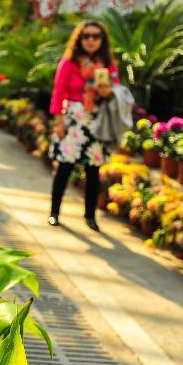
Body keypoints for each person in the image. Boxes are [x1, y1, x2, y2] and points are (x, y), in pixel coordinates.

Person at [48, 20, 119, 232]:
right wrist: (59, 121)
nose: (90, 40)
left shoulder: (107, 64)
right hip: (72, 118)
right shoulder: (70, 62)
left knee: (93, 171)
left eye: (95, 36)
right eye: (86, 36)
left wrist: (106, 91)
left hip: (96, 119)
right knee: (64, 168)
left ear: (102, 40)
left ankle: (90, 216)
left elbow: (115, 92)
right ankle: (54, 212)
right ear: (79, 38)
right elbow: (58, 91)